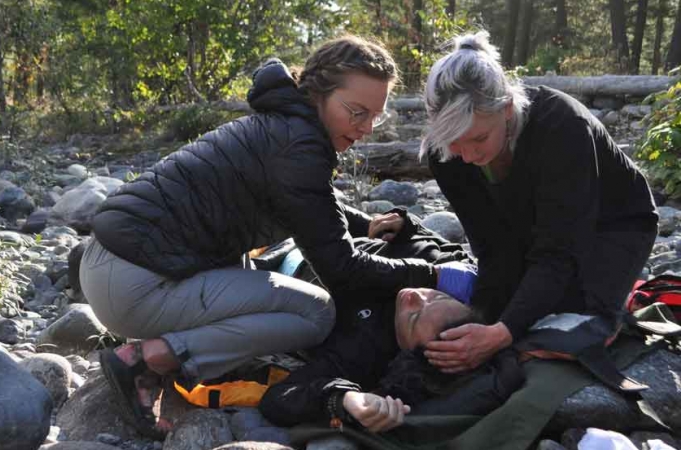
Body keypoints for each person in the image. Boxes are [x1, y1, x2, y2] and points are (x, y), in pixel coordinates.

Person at [79, 35, 477, 436]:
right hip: (135, 283)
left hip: (118, 265)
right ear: (318, 93)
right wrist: (436, 276)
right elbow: (341, 269)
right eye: (356, 112)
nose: (367, 128)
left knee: (253, 277)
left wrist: (365, 224)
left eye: (376, 116)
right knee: (315, 312)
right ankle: (145, 362)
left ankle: (159, 359)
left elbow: (308, 202)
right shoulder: (299, 147)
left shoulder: (286, 126)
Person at [419, 31, 658, 375]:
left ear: (506, 109)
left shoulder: (562, 126)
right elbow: (490, 246)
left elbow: (559, 251)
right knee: (507, 305)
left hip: (613, 224)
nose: (468, 155)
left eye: (479, 139)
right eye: (455, 144)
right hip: (529, 221)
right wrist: (483, 318)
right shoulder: (445, 154)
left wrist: (500, 334)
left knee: (565, 323)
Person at [258, 287, 523, 433]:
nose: (414, 296)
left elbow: (277, 398)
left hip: (278, 276)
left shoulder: (359, 354)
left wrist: (343, 399)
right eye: (439, 295)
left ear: (405, 351)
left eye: (414, 317)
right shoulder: (432, 279)